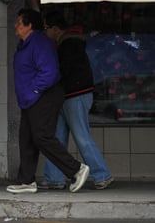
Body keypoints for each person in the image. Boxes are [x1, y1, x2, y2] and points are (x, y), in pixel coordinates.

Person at [7, 8, 89, 194]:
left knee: (41, 136)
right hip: (30, 98)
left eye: (19, 22)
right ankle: (27, 181)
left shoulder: (39, 42)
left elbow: (50, 72)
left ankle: (76, 169)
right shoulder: (25, 43)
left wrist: (33, 91)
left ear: (30, 26)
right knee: (26, 138)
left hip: (44, 95)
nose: (16, 25)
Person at [41, 10, 114, 190]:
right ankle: (54, 178)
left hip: (74, 95)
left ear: (55, 29)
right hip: (72, 94)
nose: (45, 33)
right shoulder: (72, 41)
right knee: (57, 138)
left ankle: (102, 175)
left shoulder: (68, 44)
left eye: (46, 29)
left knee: (81, 136)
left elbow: (64, 72)